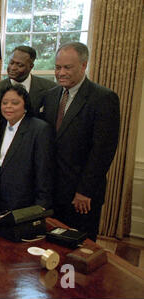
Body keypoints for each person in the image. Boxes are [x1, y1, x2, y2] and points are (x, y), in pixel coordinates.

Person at [42, 42, 120, 241]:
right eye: (58, 67)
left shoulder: (103, 98)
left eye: (67, 67)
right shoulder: (50, 97)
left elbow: (103, 151)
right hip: (51, 192)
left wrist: (84, 191)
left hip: (81, 195)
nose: (61, 73)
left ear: (84, 65)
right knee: (51, 246)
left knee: (80, 249)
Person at [0, 84, 54, 215]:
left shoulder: (39, 129)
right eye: (4, 103)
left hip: (24, 203)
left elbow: (44, 170)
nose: (8, 107)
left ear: (25, 106)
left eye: (15, 103)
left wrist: (42, 204)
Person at [0, 46, 57, 117]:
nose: (13, 68)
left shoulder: (49, 88)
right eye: (11, 63)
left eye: (19, 65)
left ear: (31, 66)